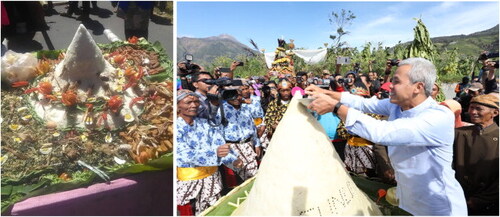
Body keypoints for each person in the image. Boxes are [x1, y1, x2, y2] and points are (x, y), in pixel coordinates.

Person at [305, 57, 467, 216]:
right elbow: (364, 104)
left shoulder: (436, 117)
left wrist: (336, 108)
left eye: (396, 81)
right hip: (407, 200)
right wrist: (326, 92)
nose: (390, 86)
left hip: (437, 206)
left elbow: (383, 132)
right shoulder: (397, 106)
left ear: (417, 87)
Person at [176, 89, 242, 215]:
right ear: (178, 106)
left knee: (214, 211)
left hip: (212, 177)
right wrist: (214, 153)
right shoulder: (175, 127)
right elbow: (183, 155)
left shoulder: (204, 123)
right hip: (190, 181)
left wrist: (232, 159)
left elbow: (219, 143)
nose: (194, 105)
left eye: (196, 101)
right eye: (188, 102)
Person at [453, 94, 499, 215]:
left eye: (479, 109)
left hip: (488, 204)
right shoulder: (459, 134)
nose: (472, 112)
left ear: (494, 113)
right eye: (471, 107)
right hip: (458, 198)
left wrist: (480, 200)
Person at [217, 89, 261, 183]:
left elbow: (253, 125)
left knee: (253, 173)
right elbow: (217, 132)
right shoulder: (221, 110)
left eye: (239, 95)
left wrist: (257, 143)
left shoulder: (246, 107)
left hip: (248, 144)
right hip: (232, 147)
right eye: (233, 95)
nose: (236, 98)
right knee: (237, 177)